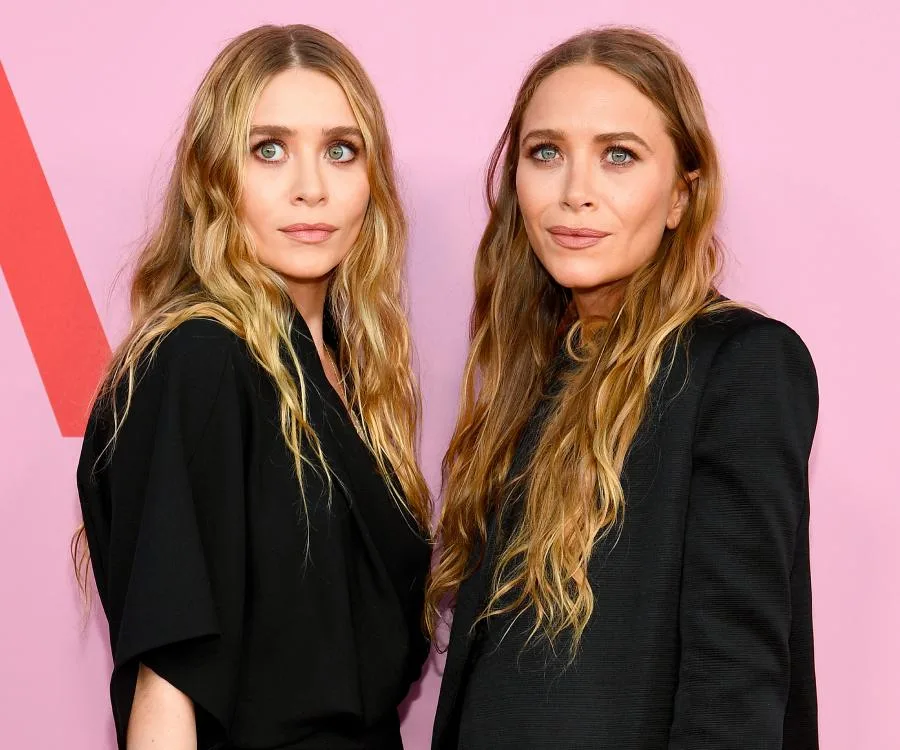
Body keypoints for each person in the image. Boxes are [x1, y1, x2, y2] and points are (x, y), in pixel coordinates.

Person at [428, 27, 818, 750]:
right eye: (546, 153)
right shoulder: (532, 378)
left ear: (680, 194)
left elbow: (735, 681)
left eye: (618, 156)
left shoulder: (742, 364)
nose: (576, 193)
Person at [74, 24, 431, 750]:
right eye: (268, 149)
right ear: (214, 176)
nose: (310, 186)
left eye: (341, 149)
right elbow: (170, 678)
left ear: (372, 180)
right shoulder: (201, 360)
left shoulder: (345, 371)